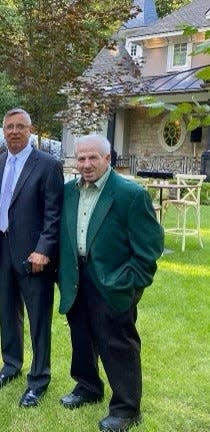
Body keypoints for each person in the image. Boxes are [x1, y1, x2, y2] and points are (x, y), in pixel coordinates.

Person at [58, 134, 163, 431]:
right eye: (81, 158)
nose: (86, 164)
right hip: (76, 276)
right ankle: (87, 386)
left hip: (113, 280)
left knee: (117, 342)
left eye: (93, 158)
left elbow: (149, 249)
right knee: (81, 336)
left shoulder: (130, 194)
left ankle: (126, 408)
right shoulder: (69, 192)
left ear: (108, 158)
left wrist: (128, 284)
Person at [0, 108, 64, 407]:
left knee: (38, 318)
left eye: (20, 126)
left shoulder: (47, 165)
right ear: (3, 131)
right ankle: (10, 365)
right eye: (9, 127)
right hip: (2, 249)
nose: (14, 131)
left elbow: (54, 213)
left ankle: (39, 378)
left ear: (30, 130)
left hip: (34, 256)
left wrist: (44, 249)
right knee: (8, 313)